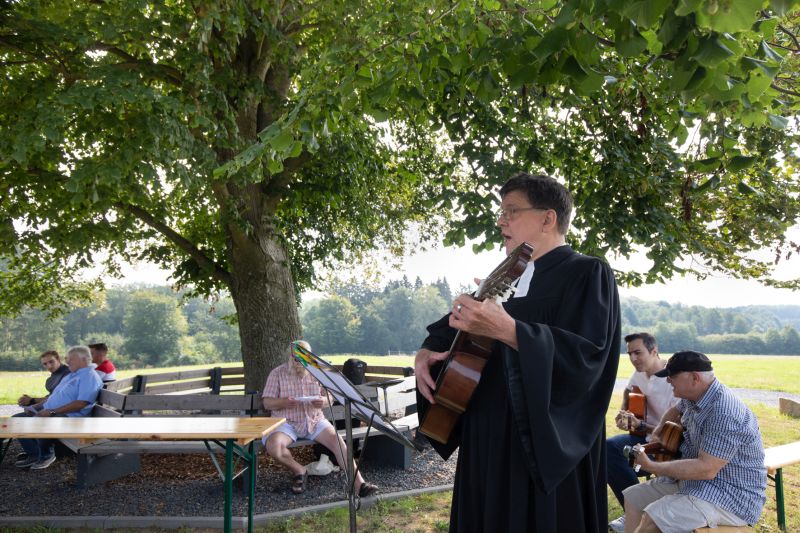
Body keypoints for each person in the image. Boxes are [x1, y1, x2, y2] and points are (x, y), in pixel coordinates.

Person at [415, 172, 621, 532]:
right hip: (486, 437)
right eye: (501, 212)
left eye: (511, 211)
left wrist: (509, 330)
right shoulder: (504, 278)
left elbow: (588, 358)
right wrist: (424, 354)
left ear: (548, 218)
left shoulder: (587, 272)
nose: (501, 221)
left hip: (540, 445)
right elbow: (448, 327)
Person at [623, 351, 767, 533]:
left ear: (694, 378)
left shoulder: (724, 412)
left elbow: (706, 469)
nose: (668, 381)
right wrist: (659, 432)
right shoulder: (694, 396)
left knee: (653, 518)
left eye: (672, 376)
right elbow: (675, 410)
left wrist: (652, 466)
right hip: (697, 482)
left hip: (731, 496)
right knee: (633, 497)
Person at [261, 340, 378, 497]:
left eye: (304, 358)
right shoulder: (277, 373)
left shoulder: (318, 372)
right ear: (289, 357)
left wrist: (323, 401)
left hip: (314, 419)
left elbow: (329, 397)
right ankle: (299, 470)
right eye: (295, 358)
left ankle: (359, 484)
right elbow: (267, 402)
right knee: (274, 446)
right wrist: (284, 402)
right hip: (286, 422)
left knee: (338, 442)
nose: (299, 362)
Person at [607, 333, 678, 532]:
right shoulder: (638, 374)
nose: (633, 359)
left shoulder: (673, 379)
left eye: (638, 353)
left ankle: (640, 510)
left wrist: (641, 426)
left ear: (654, 351)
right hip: (641, 437)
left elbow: (674, 430)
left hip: (667, 443)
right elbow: (627, 398)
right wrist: (624, 415)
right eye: (629, 354)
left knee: (617, 453)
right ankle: (634, 510)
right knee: (607, 449)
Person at [15, 345, 104, 470]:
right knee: (17, 420)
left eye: (70, 359)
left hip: (72, 417)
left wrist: (51, 411)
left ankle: (46, 455)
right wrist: (36, 406)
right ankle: (35, 453)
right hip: (54, 412)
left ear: (84, 359)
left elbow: (81, 403)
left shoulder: (89, 376)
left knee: (40, 421)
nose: (67, 361)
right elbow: (53, 396)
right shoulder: (72, 375)